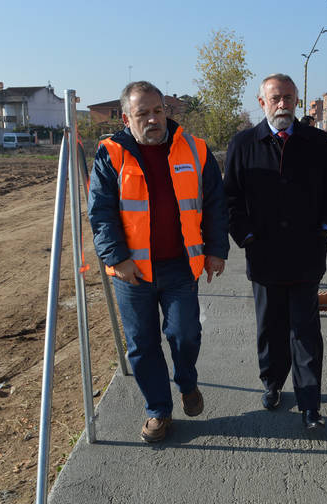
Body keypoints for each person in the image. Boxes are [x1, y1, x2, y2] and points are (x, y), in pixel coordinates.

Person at [88, 81, 229, 443]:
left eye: (158, 110)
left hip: (181, 266)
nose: (153, 119)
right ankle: (158, 411)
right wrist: (117, 258)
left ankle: (187, 382)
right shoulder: (111, 154)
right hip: (131, 272)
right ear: (126, 118)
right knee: (142, 344)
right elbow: (101, 212)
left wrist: (216, 250)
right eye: (143, 113)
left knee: (185, 334)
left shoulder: (195, 150)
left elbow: (215, 203)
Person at [223, 73, 327, 429]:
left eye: (289, 98)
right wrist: (244, 236)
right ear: (262, 102)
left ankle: (310, 404)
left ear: (297, 101)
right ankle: (272, 382)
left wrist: (326, 229)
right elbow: (231, 198)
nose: (283, 105)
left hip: (306, 255)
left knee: (305, 332)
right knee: (271, 328)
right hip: (264, 256)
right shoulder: (244, 143)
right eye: (275, 98)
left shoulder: (318, 142)